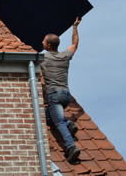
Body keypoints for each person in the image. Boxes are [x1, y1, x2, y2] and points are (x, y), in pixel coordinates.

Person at [40, 17, 82, 163]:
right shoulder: (65, 55)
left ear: (49, 45)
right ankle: (69, 124)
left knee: (58, 123)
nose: (41, 42)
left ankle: (71, 148)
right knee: (41, 115)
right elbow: (74, 44)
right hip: (65, 95)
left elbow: (27, 56)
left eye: (44, 41)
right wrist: (75, 27)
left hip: (55, 96)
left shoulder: (43, 58)